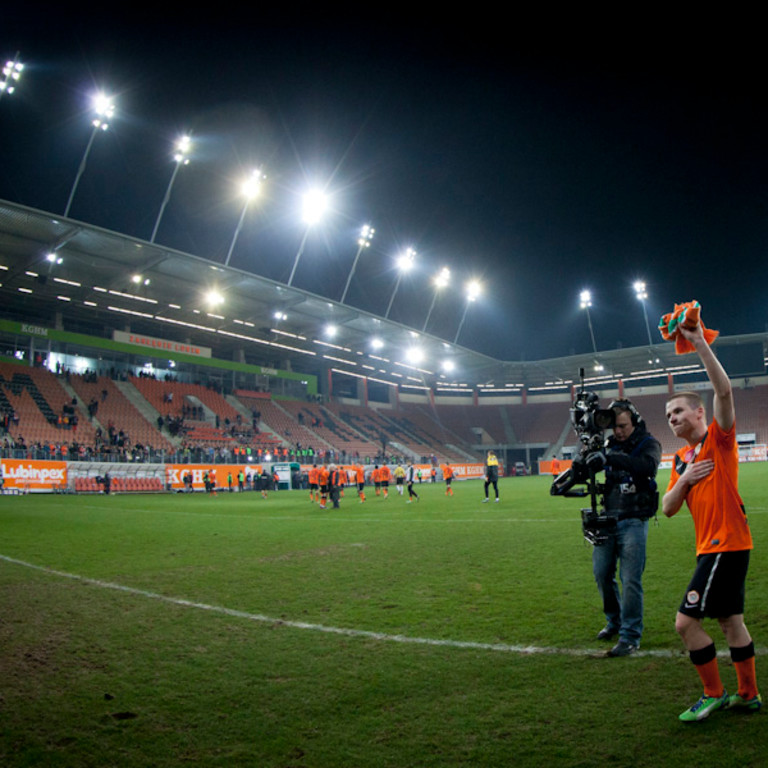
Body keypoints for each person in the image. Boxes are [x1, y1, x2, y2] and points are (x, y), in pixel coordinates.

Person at [663, 322, 761, 722]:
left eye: (678, 410)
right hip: (716, 546)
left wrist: (699, 341)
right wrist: (685, 479)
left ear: (699, 413)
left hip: (726, 544)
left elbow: (724, 391)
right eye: (668, 415)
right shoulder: (680, 460)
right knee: (730, 621)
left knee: (685, 623)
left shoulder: (718, 439)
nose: (672, 418)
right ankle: (749, 694)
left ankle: (713, 693)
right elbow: (667, 507)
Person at [589, 400, 661, 657]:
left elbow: (648, 467)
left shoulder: (648, 443)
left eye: (623, 426)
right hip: (608, 518)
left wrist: (612, 457)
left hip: (634, 518)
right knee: (601, 573)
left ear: (635, 422)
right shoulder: (608, 446)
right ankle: (614, 621)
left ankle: (630, 635)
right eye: (615, 428)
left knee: (630, 579)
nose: (618, 432)